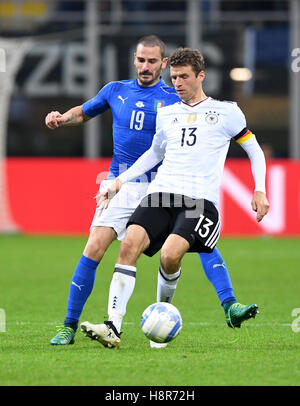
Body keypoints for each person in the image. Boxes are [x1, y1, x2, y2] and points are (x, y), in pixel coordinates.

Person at [46, 36, 252, 346]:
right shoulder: (115, 90)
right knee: (94, 248)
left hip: (164, 186)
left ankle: (228, 302)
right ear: (134, 60)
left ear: (164, 63)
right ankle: (69, 326)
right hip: (122, 183)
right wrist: (62, 118)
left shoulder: (175, 97)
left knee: (193, 238)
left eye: (152, 61)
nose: (146, 66)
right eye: (141, 60)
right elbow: (84, 112)